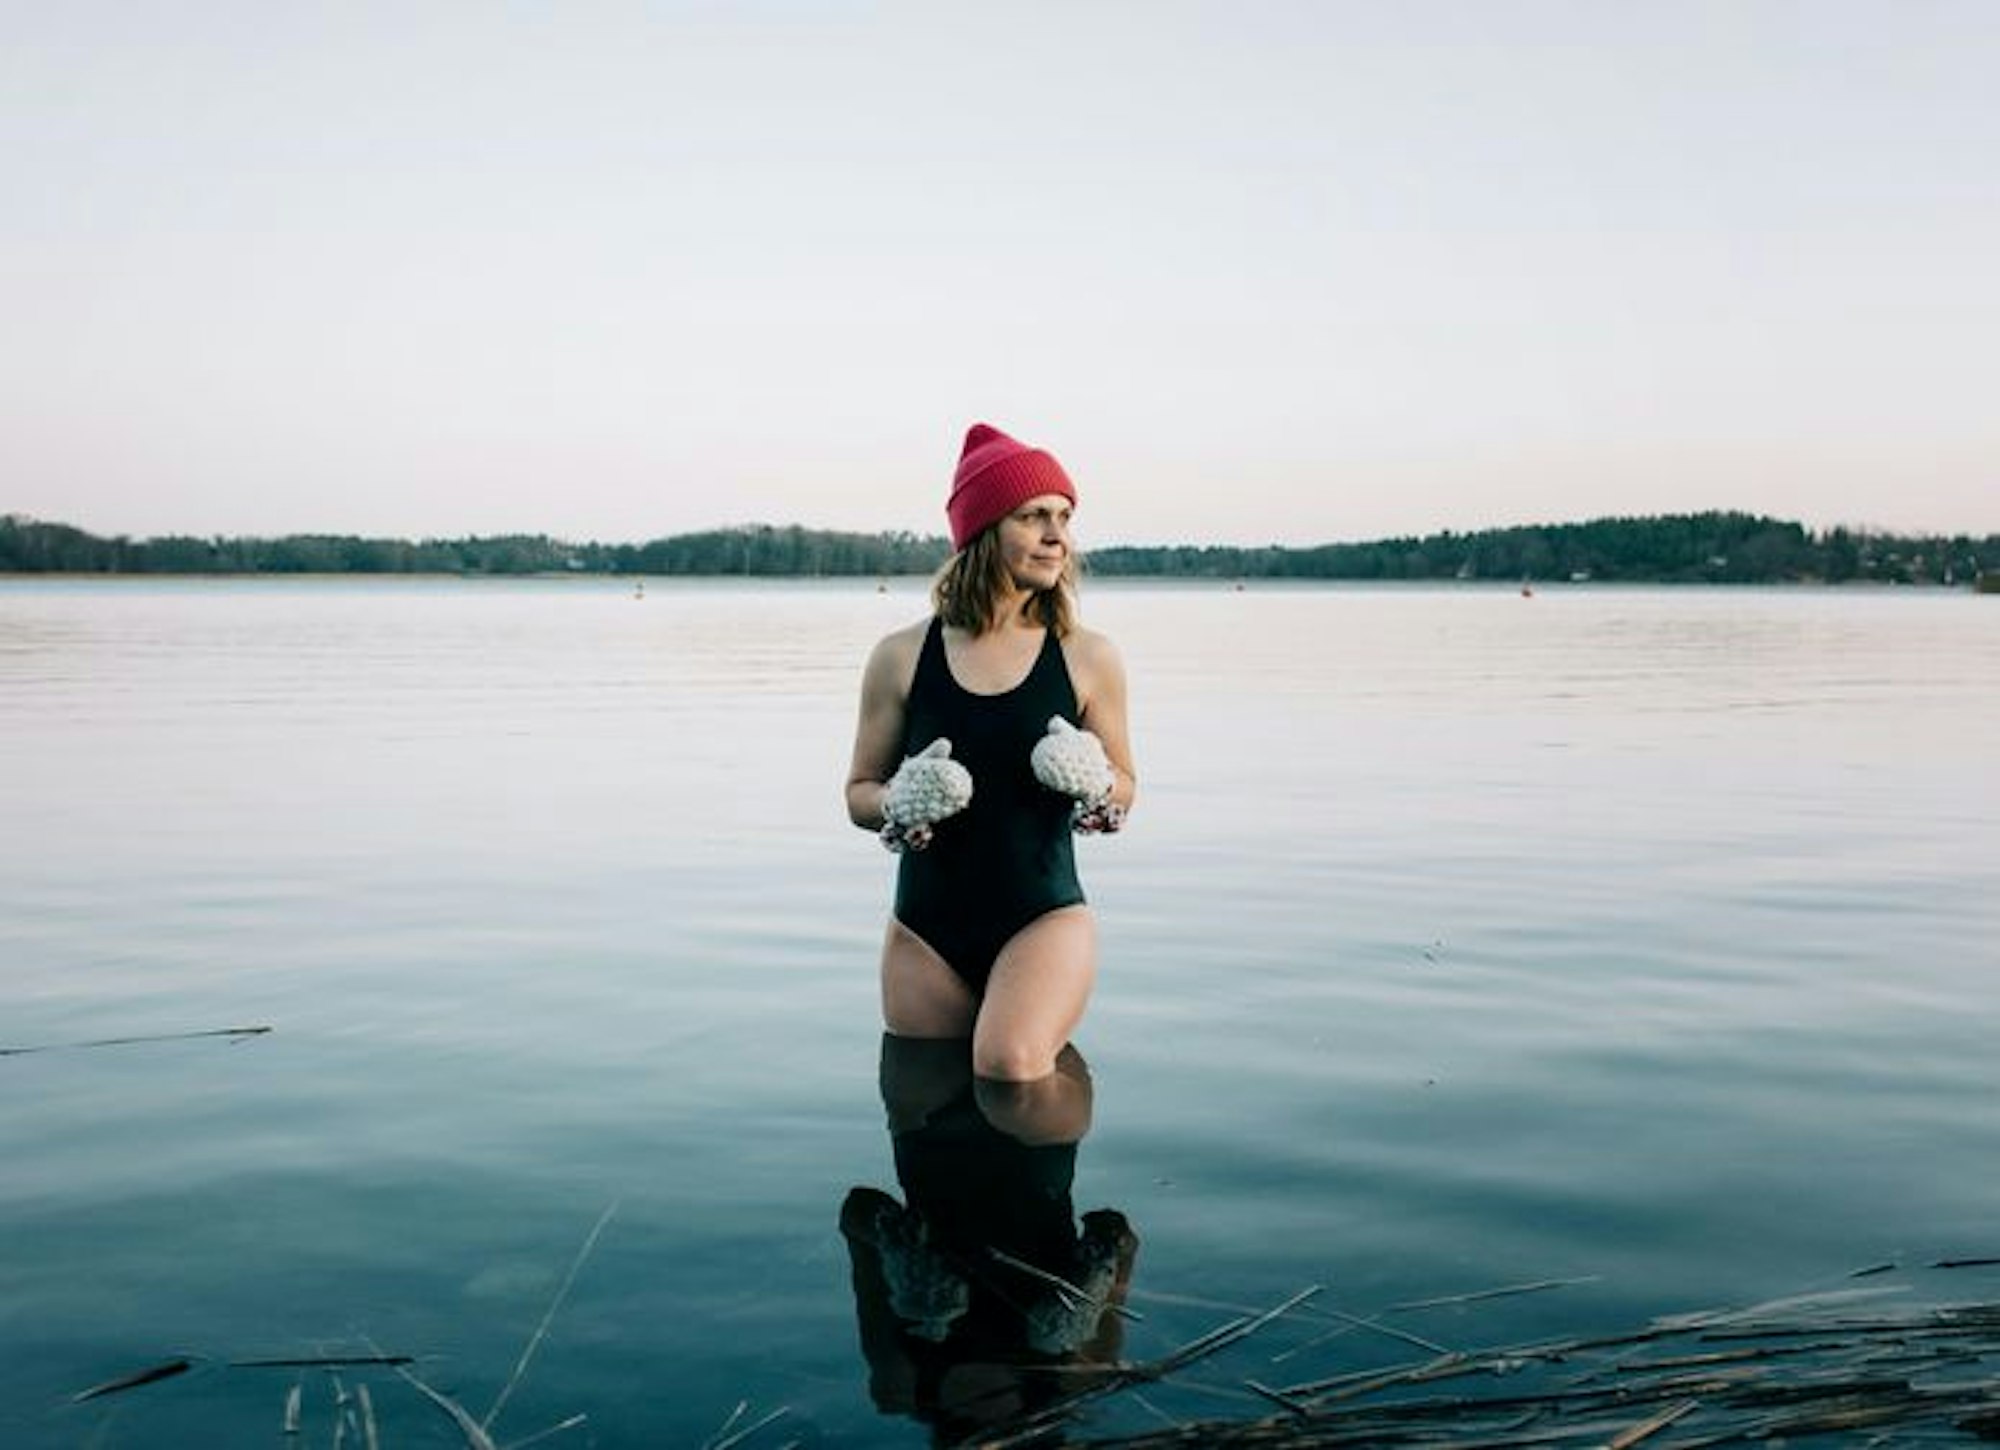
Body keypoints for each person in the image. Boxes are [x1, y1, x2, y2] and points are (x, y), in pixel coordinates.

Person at [845, 422, 1137, 1082]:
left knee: (1009, 1067)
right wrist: (895, 799)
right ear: (982, 531)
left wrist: (1099, 783)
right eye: (1033, 516)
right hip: (924, 932)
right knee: (923, 1099)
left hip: (1042, 916)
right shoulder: (900, 657)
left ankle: (1058, 1183)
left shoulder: (1088, 656)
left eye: (1063, 517)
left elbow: (1126, 785)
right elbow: (858, 792)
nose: (1057, 535)